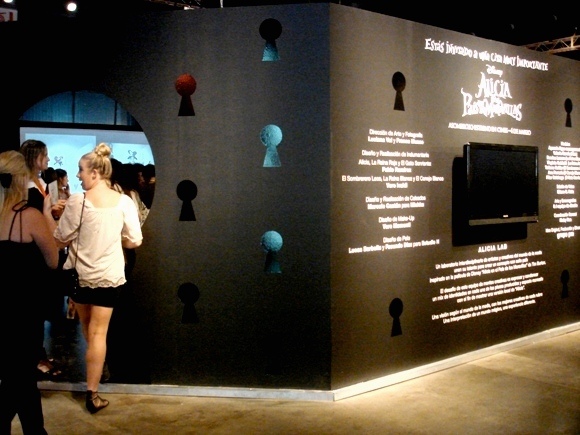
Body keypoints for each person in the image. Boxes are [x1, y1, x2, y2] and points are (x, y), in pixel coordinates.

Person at [51, 143, 143, 413]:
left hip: (80, 276)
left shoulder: (78, 201)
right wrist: (116, 238)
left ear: (94, 173)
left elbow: (60, 239)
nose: (77, 175)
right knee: (99, 332)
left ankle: (94, 373)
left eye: (80, 170)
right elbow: (135, 240)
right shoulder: (124, 202)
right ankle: (93, 392)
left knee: (88, 329)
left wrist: (56, 217)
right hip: (109, 277)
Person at [0, 150, 59, 434]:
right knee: (21, 379)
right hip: (23, 311)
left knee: (16, 378)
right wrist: (47, 215)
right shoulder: (28, 215)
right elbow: (53, 260)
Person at [19, 140, 67, 378]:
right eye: (45, 155)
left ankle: (37, 353)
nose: (48, 159)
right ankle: (34, 358)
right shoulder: (26, 187)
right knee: (32, 309)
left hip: (43, 247)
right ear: (35, 157)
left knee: (38, 308)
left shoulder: (40, 183)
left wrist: (53, 211)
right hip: (33, 251)